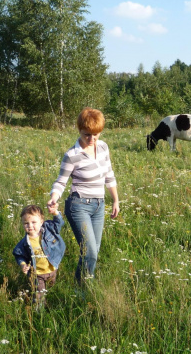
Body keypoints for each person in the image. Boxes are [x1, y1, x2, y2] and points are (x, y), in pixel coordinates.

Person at [47, 107, 119, 285]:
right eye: (87, 134)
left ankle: (82, 283)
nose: (92, 139)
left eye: (96, 134)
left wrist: (115, 200)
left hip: (99, 205)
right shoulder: (72, 155)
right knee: (90, 252)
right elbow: (61, 181)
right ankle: (83, 288)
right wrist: (53, 197)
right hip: (79, 206)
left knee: (93, 250)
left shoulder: (103, 147)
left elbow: (109, 174)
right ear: (79, 130)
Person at [13, 203, 65, 305]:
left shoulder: (49, 230)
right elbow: (19, 255)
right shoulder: (24, 243)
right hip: (37, 274)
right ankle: (40, 312)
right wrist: (23, 264)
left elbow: (59, 223)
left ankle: (52, 302)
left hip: (52, 268)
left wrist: (55, 213)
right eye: (26, 223)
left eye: (33, 222)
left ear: (41, 222)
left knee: (51, 288)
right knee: (39, 295)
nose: (30, 226)